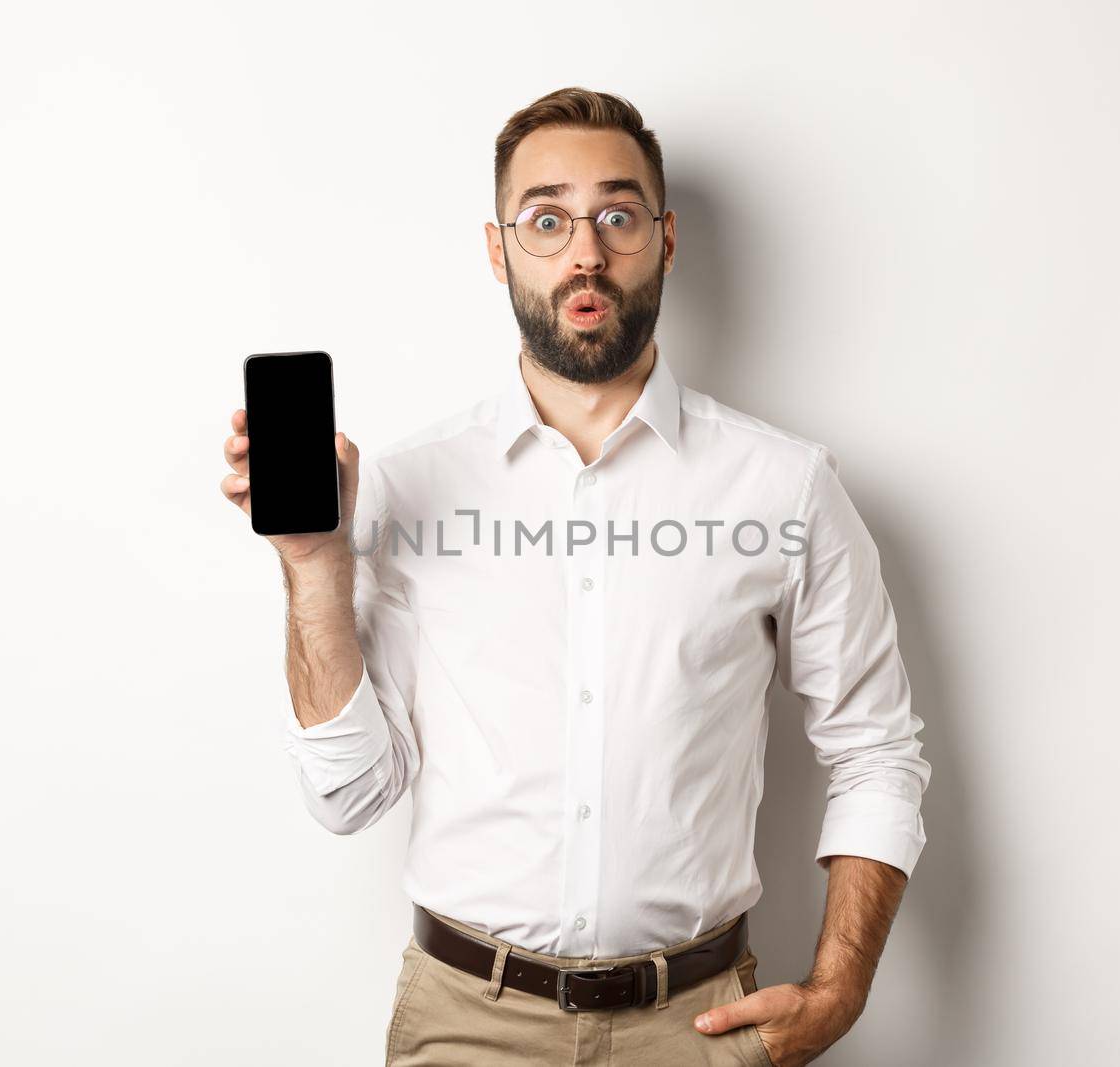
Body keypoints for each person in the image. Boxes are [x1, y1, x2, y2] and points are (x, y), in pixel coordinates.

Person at [220, 86, 930, 1067]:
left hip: (700, 1026)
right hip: (465, 1022)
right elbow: (348, 795)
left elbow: (875, 750)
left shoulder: (785, 485)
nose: (585, 250)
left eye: (617, 215)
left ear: (666, 237)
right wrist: (314, 567)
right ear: (497, 246)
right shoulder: (407, 485)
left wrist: (838, 989)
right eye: (547, 218)